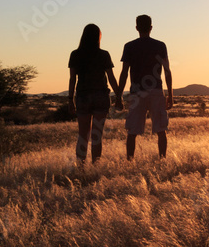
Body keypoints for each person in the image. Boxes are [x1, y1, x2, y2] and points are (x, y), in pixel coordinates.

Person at [117, 14, 173, 160]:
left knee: (132, 131)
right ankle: (163, 159)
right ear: (151, 28)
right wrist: (171, 95)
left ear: (136, 28)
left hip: (137, 93)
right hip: (156, 91)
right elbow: (167, 72)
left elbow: (124, 73)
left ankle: (130, 161)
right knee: (161, 129)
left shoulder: (129, 46)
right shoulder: (160, 45)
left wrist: (119, 95)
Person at [68, 24, 122, 163]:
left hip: (83, 96)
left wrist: (70, 99)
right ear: (98, 37)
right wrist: (118, 96)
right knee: (96, 135)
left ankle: (81, 168)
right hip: (101, 96)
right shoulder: (103, 54)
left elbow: (73, 79)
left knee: (83, 135)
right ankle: (96, 167)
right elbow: (111, 78)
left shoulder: (75, 54)